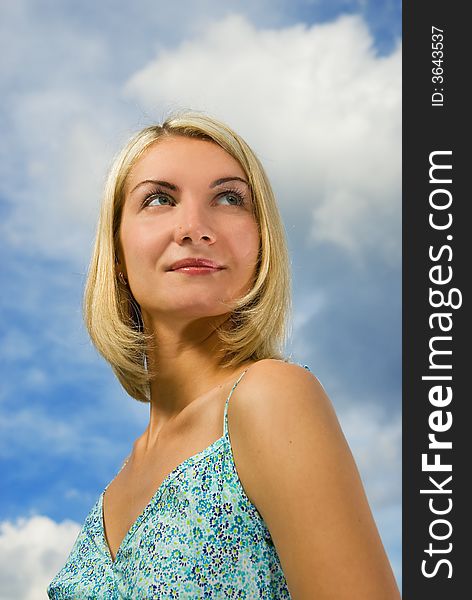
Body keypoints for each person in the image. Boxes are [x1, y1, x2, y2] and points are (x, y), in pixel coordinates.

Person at [47, 110, 400, 599]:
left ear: (261, 245)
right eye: (159, 199)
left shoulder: (272, 397)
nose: (194, 227)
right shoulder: (115, 484)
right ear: (118, 253)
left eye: (229, 198)